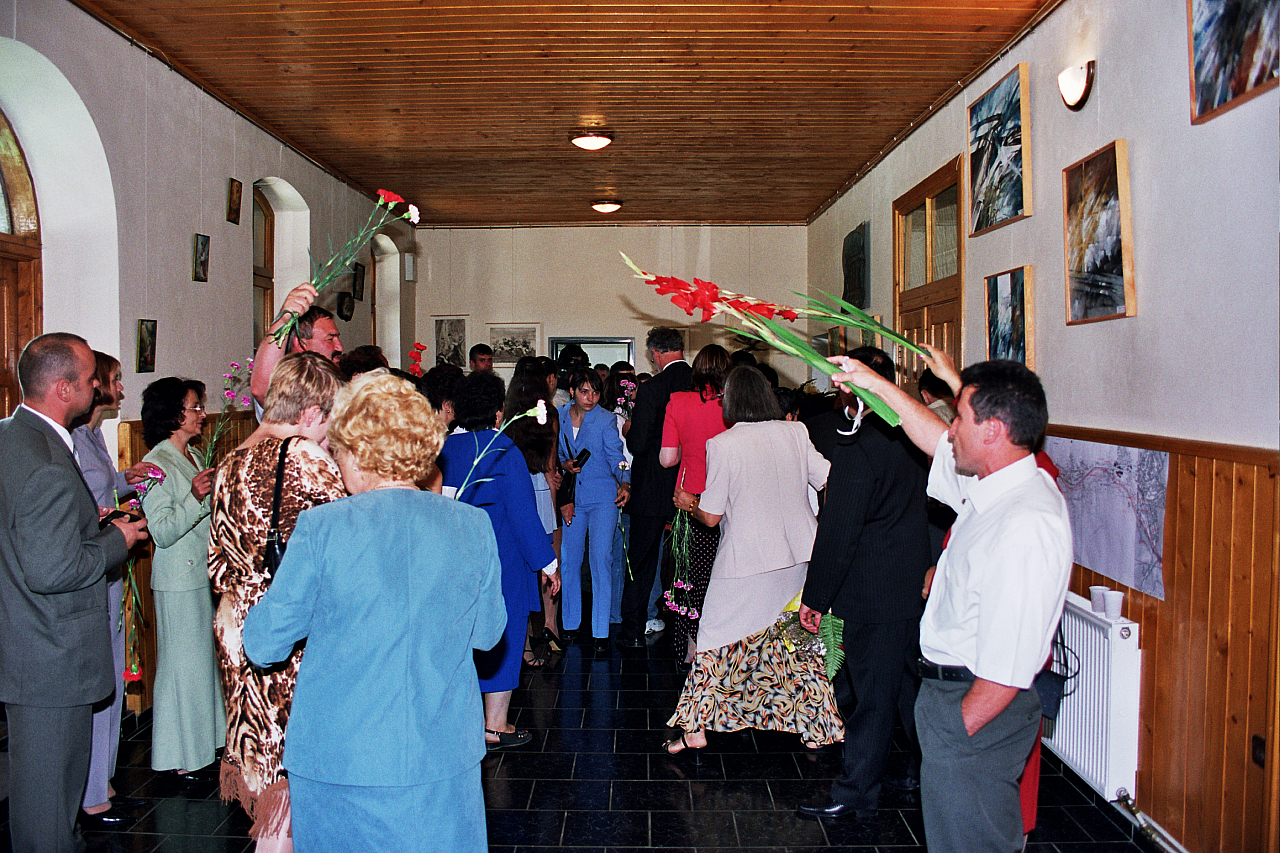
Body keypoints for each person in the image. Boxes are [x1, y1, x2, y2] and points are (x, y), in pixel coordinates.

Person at [243, 371, 505, 853]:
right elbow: (488, 635)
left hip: (341, 757)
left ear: (355, 450)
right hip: (441, 753)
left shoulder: (322, 528)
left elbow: (262, 644)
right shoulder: (472, 524)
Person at [828, 347, 1072, 853]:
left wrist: (955, 734)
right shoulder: (996, 485)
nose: (950, 428)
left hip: (974, 708)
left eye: (959, 417)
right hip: (950, 699)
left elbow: (1009, 667)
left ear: (993, 431)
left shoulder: (1026, 522)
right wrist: (873, 383)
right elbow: (933, 440)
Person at [0, 333, 148, 853]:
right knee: (48, 812)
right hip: (49, 656)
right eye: (90, 380)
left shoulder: (10, 437)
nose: (98, 388)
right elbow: (53, 569)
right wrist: (117, 539)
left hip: (25, 644)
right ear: (63, 389)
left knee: (43, 802)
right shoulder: (45, 462)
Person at [207, 352, 347, 850]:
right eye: (331, 421)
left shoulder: (231, 460)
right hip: (291, 631)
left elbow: (217, 561)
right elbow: (342, 543)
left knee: (265, 767)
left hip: (237, 623)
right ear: (312, 414)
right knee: (294, 777)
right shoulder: (307, 457)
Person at [664, 366, 839, 754]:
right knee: (798, 640)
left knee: (712, 639)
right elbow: (830, 479)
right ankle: (817, 726)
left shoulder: (724, 444)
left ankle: (694, 728)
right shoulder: (796, 432)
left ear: (732, 401)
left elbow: (709, 516)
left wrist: (686, 503)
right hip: (798, 556)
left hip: (746, 560)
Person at [796, 346, 932, 823]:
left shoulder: (860, 445)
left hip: (873, 589)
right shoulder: (919, 437)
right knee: (908, 686)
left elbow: (840, 529)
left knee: (871, 698)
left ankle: (856, 791)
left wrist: (816, 597)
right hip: (913, 582)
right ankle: (920, 769)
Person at [438, 370, 559, 748]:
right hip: (500, 560)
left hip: (450, 563)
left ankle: (458, 721)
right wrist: (548, 563)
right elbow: (524, 516)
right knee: (503, 636)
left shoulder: (441, 449)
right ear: (497, 411)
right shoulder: (503, 450)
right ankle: (495, 725)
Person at [70, 351, 157, 828]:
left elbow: (102, 490)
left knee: (112, 678)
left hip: (111, 563)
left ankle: (102, 782)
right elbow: (84, 504)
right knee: (100, 679)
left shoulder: (93, 435)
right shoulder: (73, 440)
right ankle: (91, 794)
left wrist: (128, 480)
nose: (122, 389)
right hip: (95, 563)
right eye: (116, 381)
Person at [140, 377, 226, 778]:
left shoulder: (190, 454)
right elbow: (162, 531)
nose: (201, 414)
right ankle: (181, 760)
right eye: (195, 407)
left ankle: (203, 749)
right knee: (182, 670)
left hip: (199, 574)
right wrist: (195, 497)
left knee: (199, 668)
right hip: (177, 578)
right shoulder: (155, 463)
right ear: (174, 414)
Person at [618, 327, 690, 648]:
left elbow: (640, 442)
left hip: (651, 487)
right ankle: (689, 631)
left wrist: (630, 427)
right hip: (691, 484)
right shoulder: (699, 385)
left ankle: (633, 627)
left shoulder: (653, 389)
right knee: (689, 559)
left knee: (642, 559)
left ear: (655, 353)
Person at [658, 343, 730, 666]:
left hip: (688, 499)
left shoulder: (678, 402)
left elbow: (667, 458)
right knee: (722, 576)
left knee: (689, 576)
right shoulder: (733, 405)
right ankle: (720, 646)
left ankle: (689, 646)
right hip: (727, 501)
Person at [555, 369, 630, 654]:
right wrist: (564, 466)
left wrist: (625, 481)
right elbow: (555, 456)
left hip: (602, 497)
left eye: (595, 392)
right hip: (571, 497)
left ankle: (601, 630)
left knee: (601, 559)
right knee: (570, 560)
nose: (591, 398)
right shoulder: (559, 415)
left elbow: (617, 457)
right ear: (572, 391)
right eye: (585, 391)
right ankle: (570, 625)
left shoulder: (605, 418)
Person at [501, 366, 563, 666]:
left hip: (514, 489)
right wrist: (554, 506)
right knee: (549, 562)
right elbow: (551, 467)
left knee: (521, 569)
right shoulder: (549, 414)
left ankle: (524, 644)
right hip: (539, 488)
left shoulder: (508, 414)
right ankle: (550, 625)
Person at [250, 283, 344, 408]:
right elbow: (263, 391)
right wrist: (283, 321)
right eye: (330, 339)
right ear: (301, 343)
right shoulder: (291, 389)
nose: (339, 347)